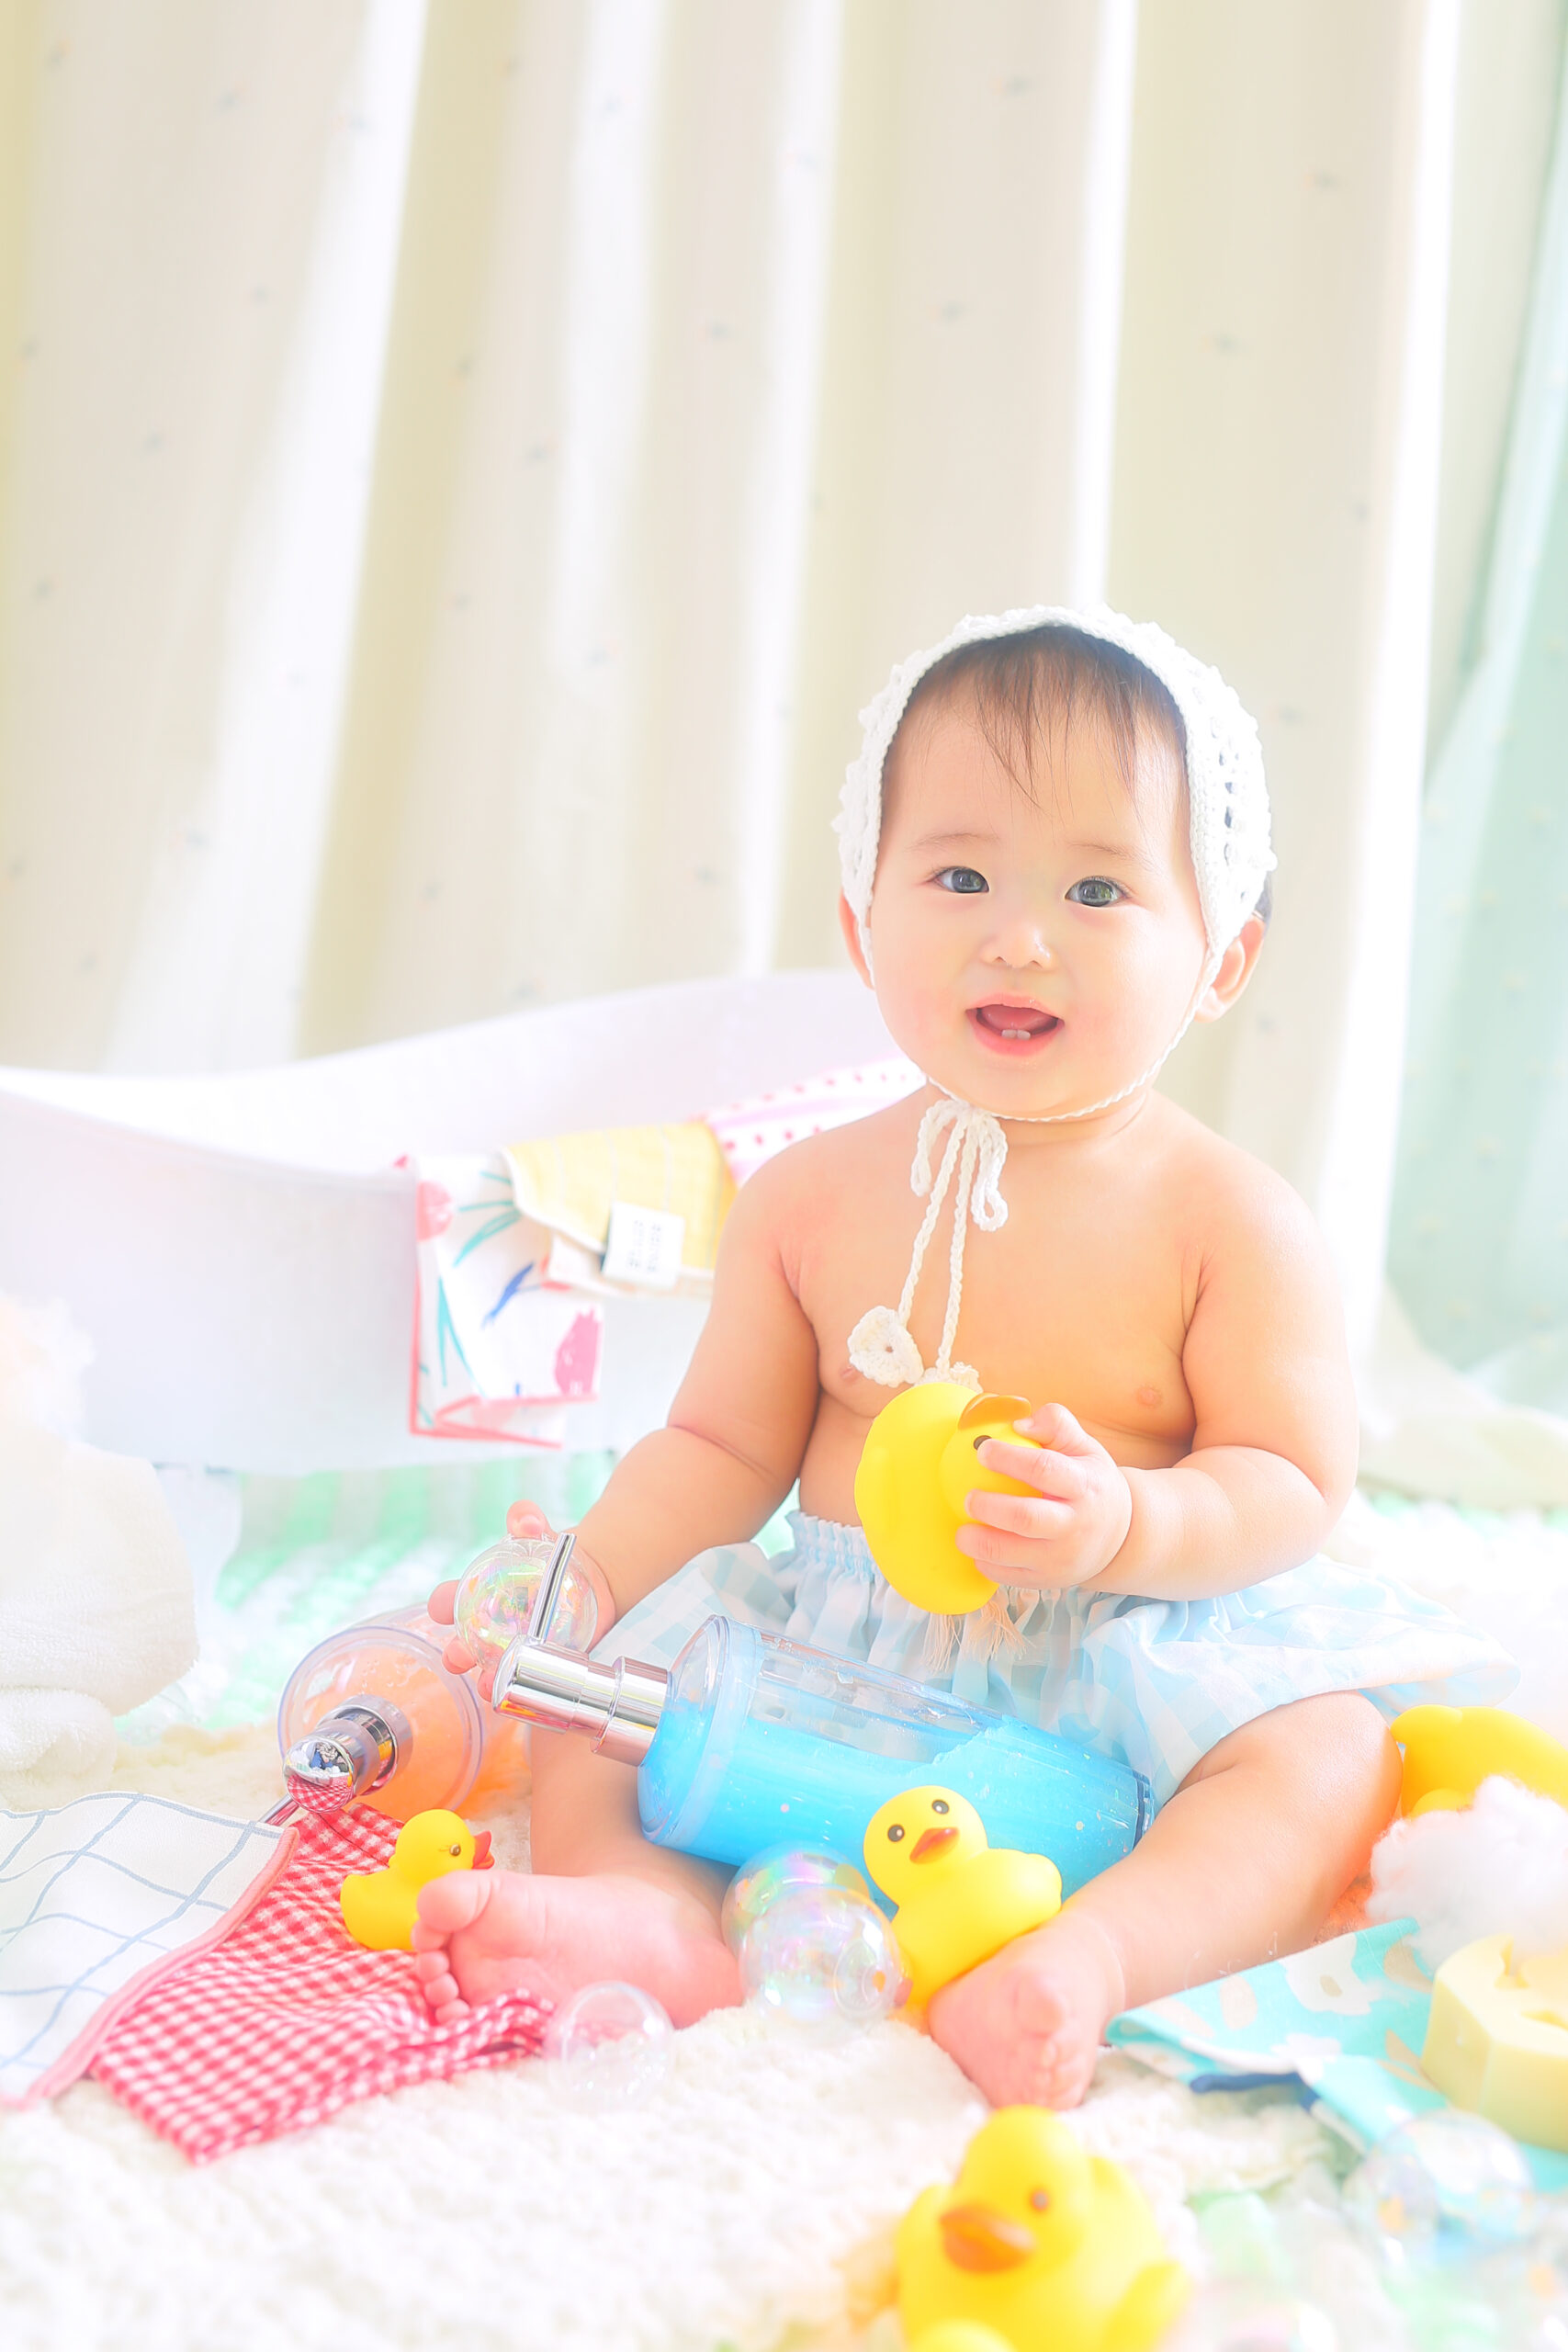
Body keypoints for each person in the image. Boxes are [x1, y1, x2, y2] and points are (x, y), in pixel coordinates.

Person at [411, 607, 1512, 2109]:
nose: (1019, 934)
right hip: (837, 1658)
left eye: (1098, 888)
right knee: (592, 1699)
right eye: (961, 876)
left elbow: (1290, 1477)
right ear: (862, 922)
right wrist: (586, 1581)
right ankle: (653, 1919)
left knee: (1325, 1759)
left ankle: (1086, 1961)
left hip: (1119, 1649)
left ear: (1223, 958)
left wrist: (1130, 1522)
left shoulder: (1227, 1219)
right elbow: (721, 1449)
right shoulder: (806, 1199)